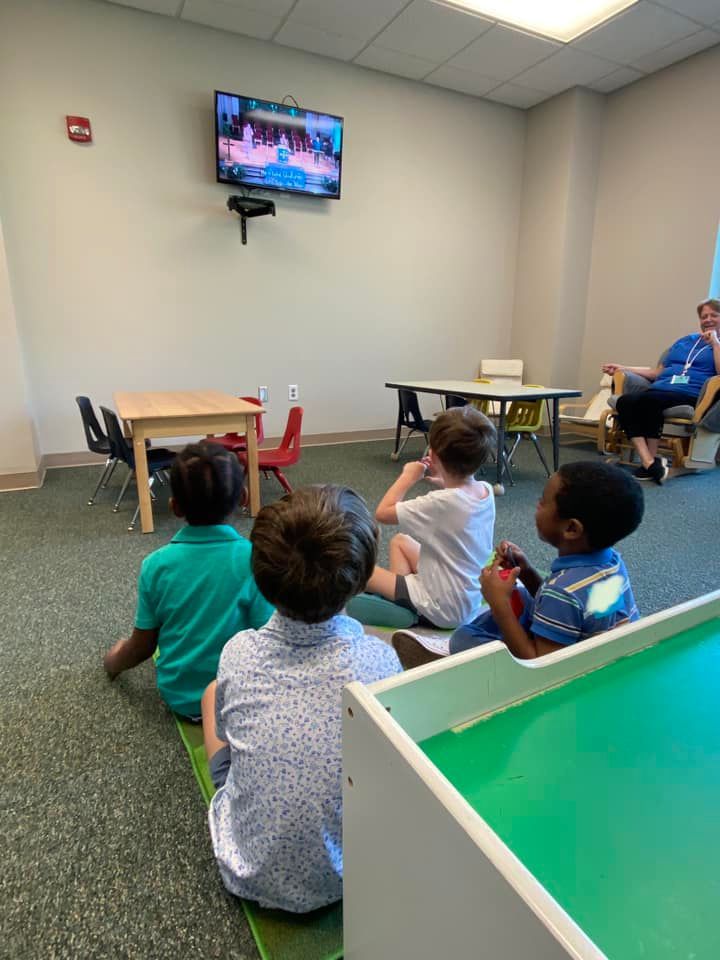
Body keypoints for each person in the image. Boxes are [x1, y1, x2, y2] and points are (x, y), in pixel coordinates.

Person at [201, 485, 402, 912]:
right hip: (348, 874)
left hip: (247, 870)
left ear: (263, 577)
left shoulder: (237, 653)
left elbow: (229, 734)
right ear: (361, 577)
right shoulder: (381, 661)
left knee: (212, 695)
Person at [392, 461, 644, 668]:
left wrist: (498, 604)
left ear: (571, 528)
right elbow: (579, 606)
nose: (537, 505)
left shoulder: (562, 592)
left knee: (464, 638)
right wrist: (528, 573)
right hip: (579, 641)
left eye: (543, 501)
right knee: (522, 595)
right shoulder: (611, 562)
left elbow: (539, 667)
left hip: (558, 669)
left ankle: (447, 659)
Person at [103, 442, 273, 719]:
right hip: (239, 698)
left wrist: (113, 661)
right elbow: (267, 635)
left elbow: (143, 645)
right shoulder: (255, 557)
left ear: (174, 507)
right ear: (243, 498)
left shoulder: (155, 565)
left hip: (180, 698)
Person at [349, 406, 496, 630]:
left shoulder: (441, 502)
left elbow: (383, 512)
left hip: (442, 608)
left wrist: (408, 477)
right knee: (400, 541)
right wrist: (444, 481)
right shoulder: (485, 490)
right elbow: (458, 497)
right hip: (466, 600)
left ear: (433, 455)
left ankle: (408, 608)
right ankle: (401, 601)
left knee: (358, 571)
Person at [603, 298, 720, 483]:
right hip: (661, 389)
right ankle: (649, 462)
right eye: (704, 316)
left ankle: (649, 462)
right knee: (624, 401)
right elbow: (656, 372)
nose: (708, 319)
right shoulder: (684, 342)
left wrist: (715, 343)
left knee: (649, 402)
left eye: (714, 315)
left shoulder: (718, 345)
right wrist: (622, 367)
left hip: (690, 394)